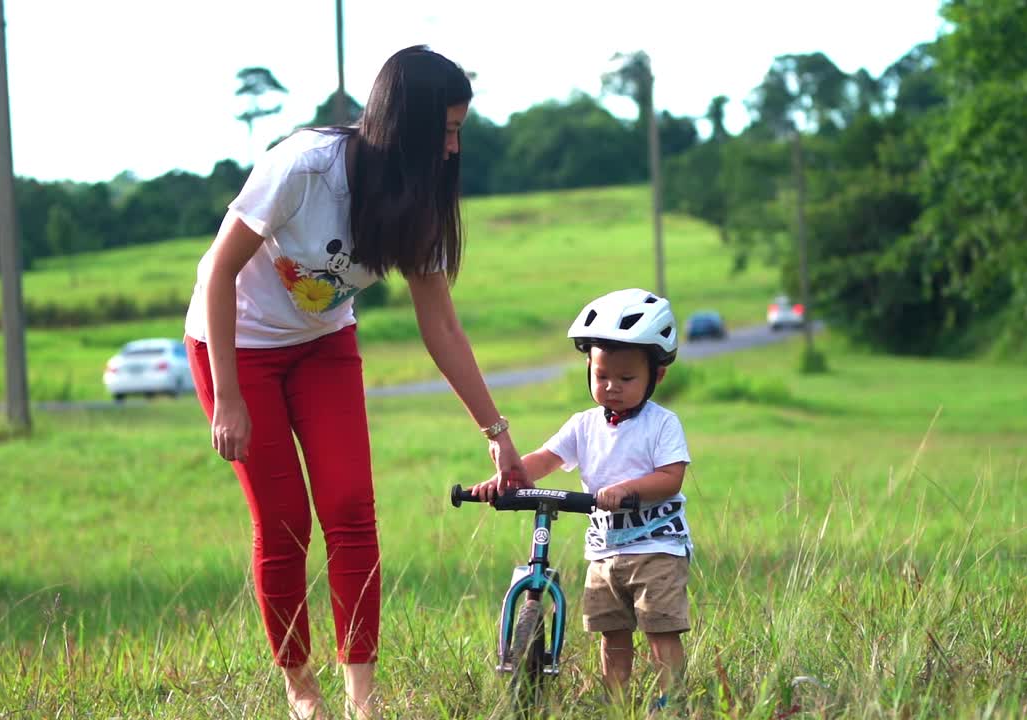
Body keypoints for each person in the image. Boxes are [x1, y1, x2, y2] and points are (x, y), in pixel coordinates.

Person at [183, 45, 527, 720]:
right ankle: (300, 686)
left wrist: (497, 433)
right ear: (411, 126)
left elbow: (444, 329)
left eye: (460, 131)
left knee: (349, 510)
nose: (455, 148)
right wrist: (227, 398)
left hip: (323, 347)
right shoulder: (304, 167)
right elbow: (218, 272)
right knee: (283, 524)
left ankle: (361, 700)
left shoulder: (416, 201)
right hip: (236, 346)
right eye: (448, 131)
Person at [472, 288, 693, 713]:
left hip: (656, 549)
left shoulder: (662, 425)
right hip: (604, 553)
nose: (611, 387)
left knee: (660, 630)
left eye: (626, 379)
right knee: (611, 633)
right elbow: (543, 460)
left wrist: (628, 490)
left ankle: (673, 702)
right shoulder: (583, 425)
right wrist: (503, 479)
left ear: (656, 377)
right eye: (601, 375)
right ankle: (618, 703)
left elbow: (671, 478)